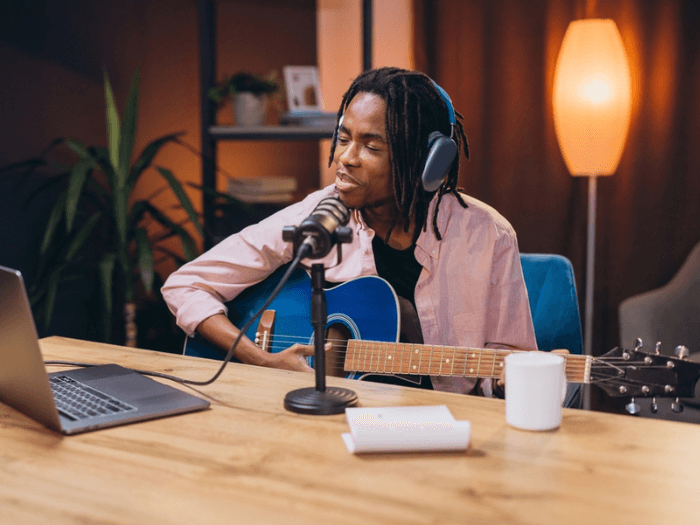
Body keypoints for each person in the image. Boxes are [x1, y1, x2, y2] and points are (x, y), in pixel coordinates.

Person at [162, 67, 537, 397]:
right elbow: (186, 285)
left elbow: (505, 360)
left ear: (427, 162)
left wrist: (510, 377)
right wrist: (259, 359)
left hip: (443, 420)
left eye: (370, 146)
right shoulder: (318, 217)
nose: (345, 158)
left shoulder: (488, 237)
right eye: (343, 139)